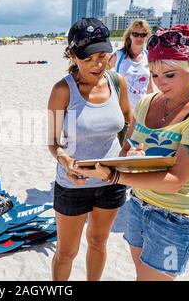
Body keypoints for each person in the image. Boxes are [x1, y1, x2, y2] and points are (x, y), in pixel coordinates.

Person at [74, 25, 189, 280]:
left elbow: (176, 182)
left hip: (176, 218)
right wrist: (131, 159)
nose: (160, 83)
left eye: (169, 74)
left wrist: (113, 177)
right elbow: (125, 152)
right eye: (154, 75)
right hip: (139, 204)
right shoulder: (147, 103)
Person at [47, 18, 132, 281]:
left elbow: (129, 121)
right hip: (73, 184)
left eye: (103, 56)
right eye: (89, 58)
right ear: (73, 55)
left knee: (98, 243)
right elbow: (52, 141)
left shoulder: (117, 83)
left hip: (111, 180)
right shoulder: (63, 90)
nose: (98, 64)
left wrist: (131, 149)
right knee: (66, 252)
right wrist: (64, 160)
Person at [108, 19, 154, 109]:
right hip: (121, 109)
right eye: (135, 34)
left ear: (147, 37)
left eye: (143, 35)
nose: (139, 38)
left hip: (141, 110)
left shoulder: (148, 57)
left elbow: (150, 87)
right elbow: (102, 73)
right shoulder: (119, 55)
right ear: (130, 35)